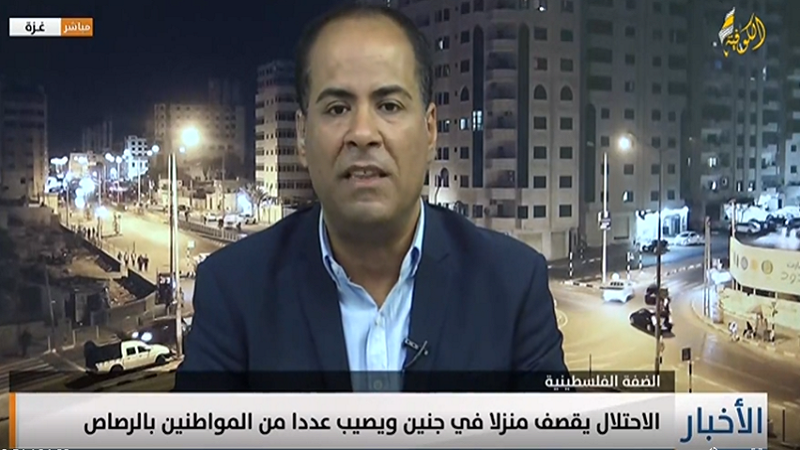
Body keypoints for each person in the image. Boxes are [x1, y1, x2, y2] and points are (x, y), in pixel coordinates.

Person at [175, 4, 566, 392]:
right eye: (337, 108)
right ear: (302, 137)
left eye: (389, 106)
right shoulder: (234, 290)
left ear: (430, 130)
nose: (363, 133)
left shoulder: (513, 285)